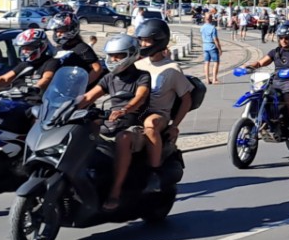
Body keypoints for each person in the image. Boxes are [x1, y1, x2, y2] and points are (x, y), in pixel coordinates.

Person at [78, 35, 150, 211]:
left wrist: (125, 109)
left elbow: (140, 97)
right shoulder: (109, 78)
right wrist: (65, 106)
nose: (113, 60)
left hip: (134, 125)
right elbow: (88, 96)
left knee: (123, 138)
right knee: (83, 129)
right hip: (110, 121)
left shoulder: (142, 76)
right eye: (110, 56)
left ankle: (115, 191)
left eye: (118, 55)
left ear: (131, 55)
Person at [135, 19, 194, 193]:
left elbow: (186, 99)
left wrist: (175, 125)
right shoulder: (137, 64)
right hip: (136, 110)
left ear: (159, 41)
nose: (143, 44)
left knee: (150, 125)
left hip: (159, 114)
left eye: (147, 40)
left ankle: (154, 172)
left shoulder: (172, 69)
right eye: (141, 40)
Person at [244, 22, 289, 137]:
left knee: (288, 98)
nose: (284, 40)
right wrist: (248, 67)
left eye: (286, 38)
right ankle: (263, 120)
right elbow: (260, 62)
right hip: (275, 80)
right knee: (259, 93)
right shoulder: (275, 52)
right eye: (281, 38)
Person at [0, 29, 59, 93]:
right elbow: (5, 78)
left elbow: (47, 78)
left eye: (29, 47)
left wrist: (34, 88)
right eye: (23, 48)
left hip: (35, 102)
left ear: (41, 46)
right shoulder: (25, 64)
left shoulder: (51, 62)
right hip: (15, 98)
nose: (25, 51)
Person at [48, 12, 103, 86]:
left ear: (72, 28)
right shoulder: (59, 47)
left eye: (62, 30)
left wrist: (82, 84)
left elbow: (97, 69)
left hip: (76, 91)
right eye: (56, 30)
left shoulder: (82, 48)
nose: (58, 34)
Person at [200, 12, 222, 84]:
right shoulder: (213, 28)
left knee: (206, 63)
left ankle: (207, 79)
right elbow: (215, 39)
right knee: (216, 62)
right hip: (212, 46)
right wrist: (219, 48)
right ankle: (214, 79)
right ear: (211, 19)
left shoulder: (202, 27)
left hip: (205, 46)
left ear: (205, 19)